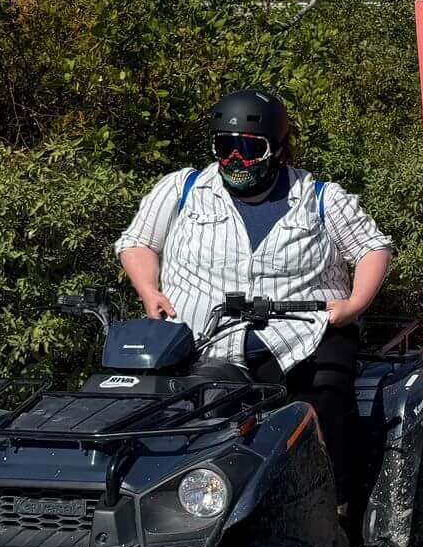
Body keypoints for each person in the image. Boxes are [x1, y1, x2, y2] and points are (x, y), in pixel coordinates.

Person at [114, 89, 394, 458]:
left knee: (324, 413)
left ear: (276, 149)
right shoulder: (183, 190)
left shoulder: (320, 198)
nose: (235, 158)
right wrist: (149, 291)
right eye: (225, 146)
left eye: (248, 148)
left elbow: (372, 248)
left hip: (302, 339)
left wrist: (354, 305)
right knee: (162, 425)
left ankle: (340, 489)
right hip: (200, 342)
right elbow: (137, 243)